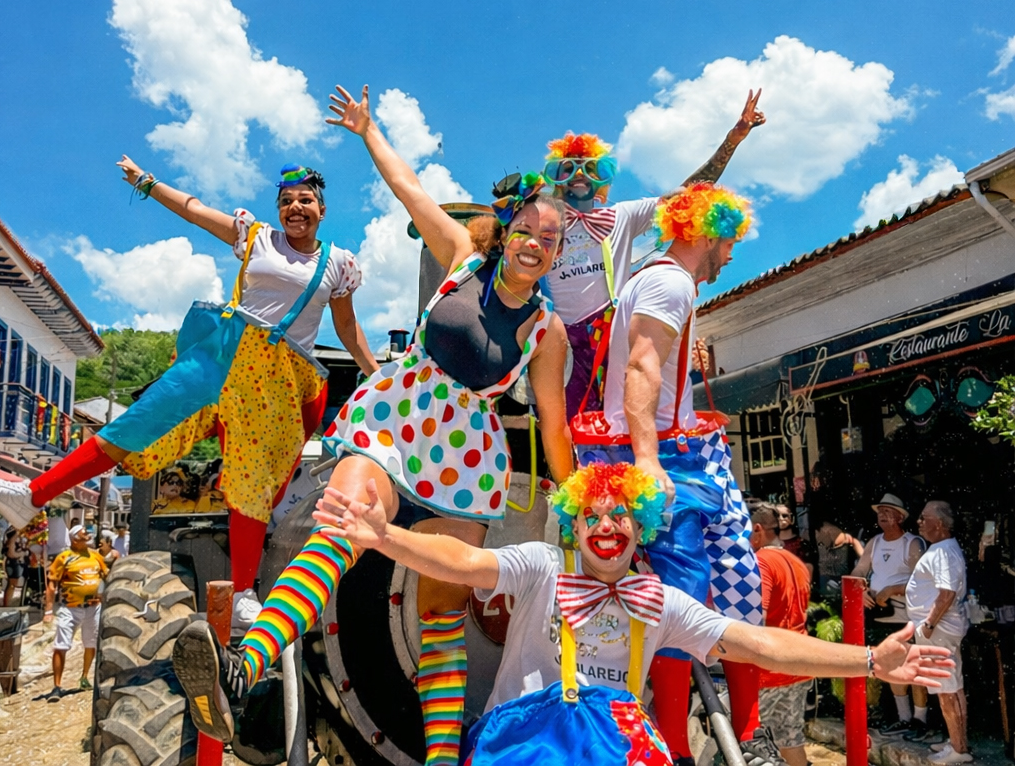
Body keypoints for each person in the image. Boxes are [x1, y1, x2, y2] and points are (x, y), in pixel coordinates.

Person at [173, 85, 573, 766]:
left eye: (550, 239)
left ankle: (442, 761)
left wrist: (580, 501)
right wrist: (367, 130)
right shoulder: (459, 258)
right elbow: (409, 187)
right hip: (399, 416)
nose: (535, 245)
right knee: (343, 518)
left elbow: (555, 429)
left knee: (444, 617)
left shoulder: (548, 330)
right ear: (506, 233)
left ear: (557, 253)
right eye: (527, 232)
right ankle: (247, 664)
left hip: (467, 456)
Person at [171, 461, 955, 766]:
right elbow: (467, 564)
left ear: (636, 529)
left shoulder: (663, 600)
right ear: (576, 525)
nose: (608, 529)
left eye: (622, 518)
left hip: (614, 748)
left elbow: (758, 644)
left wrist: (868, 661)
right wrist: (388, 539)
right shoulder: (542, 568)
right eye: (595, 517)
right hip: (527, 742)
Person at [0, 158, 378, 635]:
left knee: (252, 481)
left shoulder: (338, 263)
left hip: (275, 374)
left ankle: (241, 593)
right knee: (137, 424)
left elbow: (347, 328)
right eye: (285, 202)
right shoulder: (255, 236)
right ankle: (31, 495)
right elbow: (195, 210)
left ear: (322, 207)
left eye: (304, 201)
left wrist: (379, 375)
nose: (295, 208)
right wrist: (148, 183)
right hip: (222, 351)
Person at [574, 183, 767, 765]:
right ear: (706, 232)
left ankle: (718, 733)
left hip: (660, 446)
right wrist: (650, 458)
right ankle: (693, 746)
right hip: (662, 455)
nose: (731, 254)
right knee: (702, 585)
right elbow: (641, 364)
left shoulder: (653, 277)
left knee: (715, 582)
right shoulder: (669, 280)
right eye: (729, 240)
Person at [544, 90, 765, 420]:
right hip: (561, 342)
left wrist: (732, 140)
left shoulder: (622, 216)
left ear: (603, 176)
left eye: (591, 168)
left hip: (611, 336)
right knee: (563, 423)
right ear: (555, 178)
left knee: (616, 421)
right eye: (568, 169)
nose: (580, 176)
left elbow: (685, 196)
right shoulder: (540, 225)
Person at [847, 493, 928, 736]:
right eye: (880, 511)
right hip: (881, 615)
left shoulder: (912, 543)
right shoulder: (874, 542)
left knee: (914, 666)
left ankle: (920, 720)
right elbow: (859, 571)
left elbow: (922, 581)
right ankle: (903, 717)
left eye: (888, 511)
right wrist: (860, 590)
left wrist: (892, 589)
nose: (882, 515)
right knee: (891, 666)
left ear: (900, 517)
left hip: (907, 616)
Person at [906, 501, 970, 764]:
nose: (919, 522)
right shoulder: (942, 549)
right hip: (939, 629)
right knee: (952, 687)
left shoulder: (943, 551)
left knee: (947, 690)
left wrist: (929, 625)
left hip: (939, 629)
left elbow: (946, 594)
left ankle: (958, 750)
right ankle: (957, 743)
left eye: (924, 518)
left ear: (940, 524)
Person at [751, 504, 812, 766]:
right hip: (798, 663)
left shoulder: (762, 561)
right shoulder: (795, 561)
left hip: (770, 669)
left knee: (750, 742)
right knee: (790, 737)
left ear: (757, 530)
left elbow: (757, 616)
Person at [44, 525, 109, 701]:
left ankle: (85, 677)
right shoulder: (64, 558)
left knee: (91, 643)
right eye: (83, 534)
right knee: (61, 645)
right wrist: (48, 610)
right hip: (70, 607)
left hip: (93, 607)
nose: (87, 536)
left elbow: (106, 575)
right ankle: (56, 686)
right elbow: (52, 584)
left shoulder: (95, 556)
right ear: (74, 539)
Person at [0, 526, 28, 607]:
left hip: (17, 561)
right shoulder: (13, 533)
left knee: (15, 584)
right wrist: (23, 554)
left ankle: (12, 603)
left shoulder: (17, 532)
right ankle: (7, 604)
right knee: (12, 585)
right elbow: (11, 552)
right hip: (13, 562)